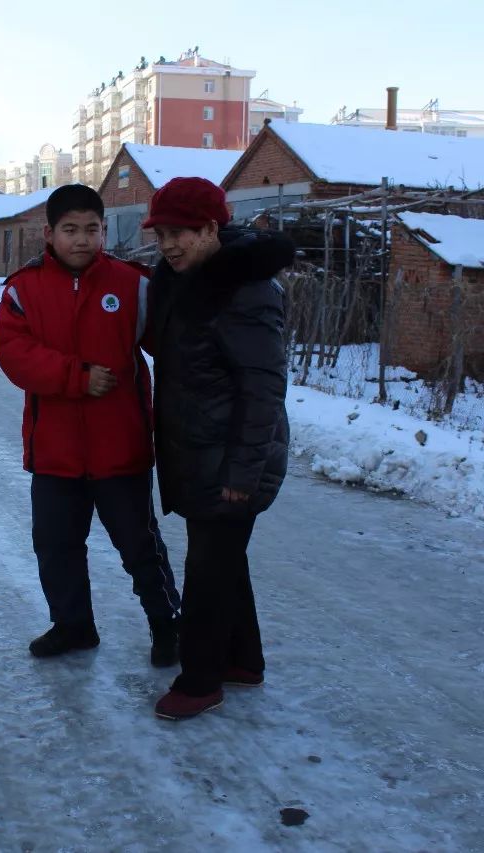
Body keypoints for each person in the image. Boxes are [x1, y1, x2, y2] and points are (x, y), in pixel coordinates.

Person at [0, 184, 181, 666]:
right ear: (48, 233)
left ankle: (167, 627)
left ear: (104, 231)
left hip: (120, 447)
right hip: (55, 452)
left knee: (140, 547)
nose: (82, 240)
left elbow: (176, 344)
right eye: (70, 230)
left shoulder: (133, 285)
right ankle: (73, 626)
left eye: (92, 229)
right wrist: (76, 377)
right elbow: (14, 355)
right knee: (55, 547)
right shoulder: (23, 290)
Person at [141, 177, 296, 720]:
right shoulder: (188, 280)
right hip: (202, 450)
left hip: (231, 458)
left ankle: (201, 678)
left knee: (207, 568)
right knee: (224, 558)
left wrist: (242, 472)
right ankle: (244, 660)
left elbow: (263, 388)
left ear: (211, 227)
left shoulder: (245, 290)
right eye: (161, 235)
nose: (168, 245)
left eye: (179, 233)